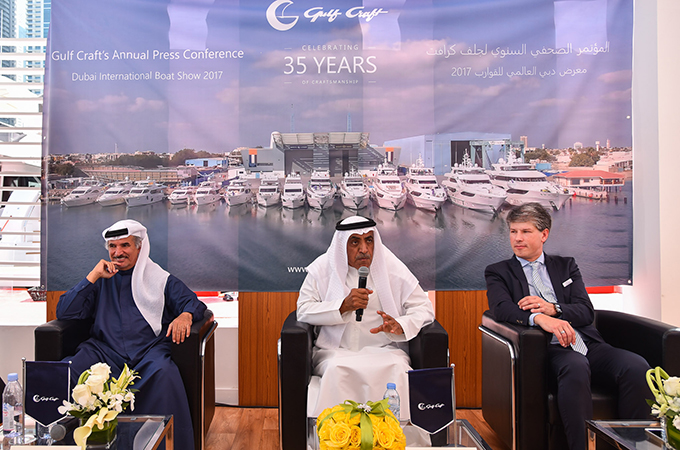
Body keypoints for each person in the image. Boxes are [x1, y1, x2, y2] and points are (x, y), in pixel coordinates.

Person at [485, 203, 650, 450]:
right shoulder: (499, 272)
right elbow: (501, 309)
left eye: (526, 231)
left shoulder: (566, 266)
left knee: (636, 367)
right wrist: (539, 318)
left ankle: (634, 445)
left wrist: (554, 309)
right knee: (575, 365)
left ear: (544, 234)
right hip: (547, 349)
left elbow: (585, 311)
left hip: (586, 342)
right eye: (513, 231)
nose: (517, 238)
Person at [57, 219, 206, 450]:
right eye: (112, 246)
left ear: (139, 247)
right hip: (104, 352)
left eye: (125, 245)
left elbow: (193, 303)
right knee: (66, 372)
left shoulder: (159, 278)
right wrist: (92, 276)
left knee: (165, 374)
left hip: (147, 353)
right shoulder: (101, 278)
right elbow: (65, 312)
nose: (118, 252)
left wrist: (185, 315)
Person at [297, 215, 435, 420]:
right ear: (342, 245)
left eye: (369, 240)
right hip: (336, 352)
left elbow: (424, 308)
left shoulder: (391, 267)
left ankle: (396, 435)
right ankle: (337, 434)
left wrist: (401, 325)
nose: (364, 249)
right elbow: (303, 309)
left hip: (385, 350)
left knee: (398, 369)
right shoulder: (323, 269)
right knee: (336, 370)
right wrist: (342, 306)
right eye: (355, 242)